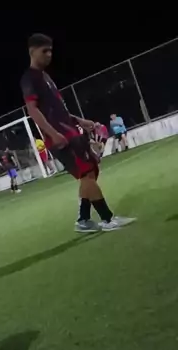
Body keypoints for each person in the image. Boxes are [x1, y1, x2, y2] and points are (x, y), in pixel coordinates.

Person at [20, 34, 136, 232]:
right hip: (61, 137)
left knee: (90, 172)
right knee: (86, 172)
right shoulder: (29, 78)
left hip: (70, 131)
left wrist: (80, 121)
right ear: (32, 51)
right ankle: (107, 219)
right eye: (44, 51)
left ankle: (83, 219)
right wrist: (53, 134)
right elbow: (33, 110)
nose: (49, 55)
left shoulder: (45, 77)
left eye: (51, 51)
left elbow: (58, 109)